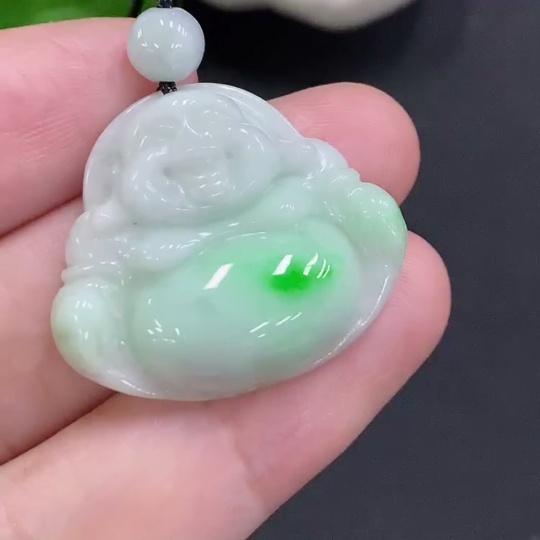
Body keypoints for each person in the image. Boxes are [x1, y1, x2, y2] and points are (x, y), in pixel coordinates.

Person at [0, 18, 450, 539]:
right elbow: (93, 281)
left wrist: (359, 211)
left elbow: (345, 197)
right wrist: (88, 314)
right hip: (179, 321)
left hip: (303, 271)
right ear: (127, 176)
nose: (197, 157)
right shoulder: (126, 235)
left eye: (215, 139)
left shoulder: (293, 188)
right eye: (166, 149)